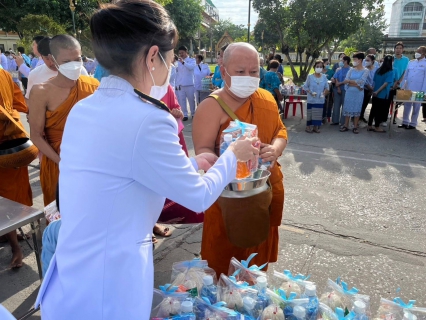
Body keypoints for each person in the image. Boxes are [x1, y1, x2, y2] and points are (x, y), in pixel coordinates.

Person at [34, 2, 258, 318]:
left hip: (74, 273)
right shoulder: (149, 118)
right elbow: (197, 196)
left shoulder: (84, 109)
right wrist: (232, 156)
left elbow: (123, 172)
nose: (168, 67)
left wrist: (195, 163)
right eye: (168, 58)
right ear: (153, 57)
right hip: (109, 286)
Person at [193, 42, 288, 277]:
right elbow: (204, 152)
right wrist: (232, 161)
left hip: (264, 191)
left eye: (254, 71)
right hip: (229, 197)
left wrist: (274, 149)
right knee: (223, 260)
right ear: (223, 71)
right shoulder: (211, 107)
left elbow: (281, 132)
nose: (249, 77)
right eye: (240, 72)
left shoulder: (266, 98)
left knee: (258, 258)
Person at [29, 35, 99, 207]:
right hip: (57, 163)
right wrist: (63, 163)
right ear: (53, 60)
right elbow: (36, 136)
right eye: (67, 61)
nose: (74, 65)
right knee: (61, 217)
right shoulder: (41, 91)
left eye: (78, 59)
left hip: (90, 163)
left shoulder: (92, 85)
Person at [0, 69, 33, 269]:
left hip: (5, 145)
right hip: (13, 143)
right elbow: (20, 103)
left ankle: (14, 246)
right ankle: (14, 235)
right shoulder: (3, 73)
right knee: (16, 192)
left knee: (5, 198)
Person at [24, 37, 88, 103]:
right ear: (42, 57)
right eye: (47, 59)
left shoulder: (79, 70)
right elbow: (30, 101)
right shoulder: (34, 74)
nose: (51, 62)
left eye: (53, 58)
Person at [340, 52, 369, 134]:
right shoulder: (351, 69)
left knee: (357, 108)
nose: (353, 61)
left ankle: (355, 126)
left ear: (360, 60)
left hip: (358, 93)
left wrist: (351, 82)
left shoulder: (365, 70)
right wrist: (355, 84)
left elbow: (362, 81)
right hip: (349, 92)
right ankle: (346, 125)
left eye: (355, 59)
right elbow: (346, 80)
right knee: (347, 108)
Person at [398, 46, 426, 130]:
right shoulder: (411, 62)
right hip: (408, 87)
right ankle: (405, 122)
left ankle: (413, 123)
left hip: (419, 89)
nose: (416, 53)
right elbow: (406, 75)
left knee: (416, 107)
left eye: (419, 52)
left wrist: (423, 91)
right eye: (416, 51)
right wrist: (402, 86)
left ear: (424, 53)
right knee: (406, 105)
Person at [367, 55, 394, 133]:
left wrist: (373, 91)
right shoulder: (390, 71)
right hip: (382, 94)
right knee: (379, 111)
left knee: (373, 109)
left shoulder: (378, 70)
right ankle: (377, 126)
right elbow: (385, 84)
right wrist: (377, 91)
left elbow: (374, 81)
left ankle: (369, 125)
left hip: (375, 93)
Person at [303, 60, 329, 133]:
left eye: (321, 67)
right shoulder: (310, 77)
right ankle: (308, 127)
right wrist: (311, 92)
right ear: (314, 67)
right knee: (310, 113)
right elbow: (305, 87)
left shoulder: (324, 77)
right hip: (311, 99)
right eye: (317, 66)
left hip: (320, 99)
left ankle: (315, 127)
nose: (319, 68)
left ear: (323, 68)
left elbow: (327, 87)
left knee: (318, 113)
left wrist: (324, 93)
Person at [387, 42, 409, 125]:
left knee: (396, 102)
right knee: (387, 100)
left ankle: (393, 117)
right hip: (390, 83)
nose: (398, 50)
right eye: (397, 48)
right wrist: (394, 82)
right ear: (394, 49)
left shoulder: (406, 60)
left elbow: (405, 71)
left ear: (403, 50)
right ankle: (385, 117)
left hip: (400, 83)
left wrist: (399, 81)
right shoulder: (391, 58)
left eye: (400, 48)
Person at [176, 45, 196, 121]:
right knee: (182, 100)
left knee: (191, 100)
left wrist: (183, 62)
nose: (181, 54)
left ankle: (193, 113)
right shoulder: (178, 62)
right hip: (181, 84)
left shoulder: (192, 60)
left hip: (189, 84)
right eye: (180, 53)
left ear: (186, 52)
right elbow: (176, 72)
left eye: (182, 53)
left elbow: (191, 67)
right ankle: (185, 114)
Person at [331, 55, 351, 125]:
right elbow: (335, 77)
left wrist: (340, 83)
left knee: (344, 106)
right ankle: (335, 121)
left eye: (342, 60)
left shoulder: (350, 70)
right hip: (337, 89)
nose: (341, 62)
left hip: (346, 90)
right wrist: (338, 86)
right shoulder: (339, 69)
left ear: (346, 61)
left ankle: (343, 122)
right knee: (336, 105)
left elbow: (348, 80)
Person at [360, 54, 378, 123]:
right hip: (364, 88)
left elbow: (376, 79)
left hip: (373, 89)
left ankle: (363, 117)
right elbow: (363, 79)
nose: (366, 61)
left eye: (368, 60)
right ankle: (359, 117)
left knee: (367, 104)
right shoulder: (363, 69)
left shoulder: (376, 69)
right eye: (365, 60)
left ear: (372, 61)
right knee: (362, 103)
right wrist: (368, 86)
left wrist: (372, 88)